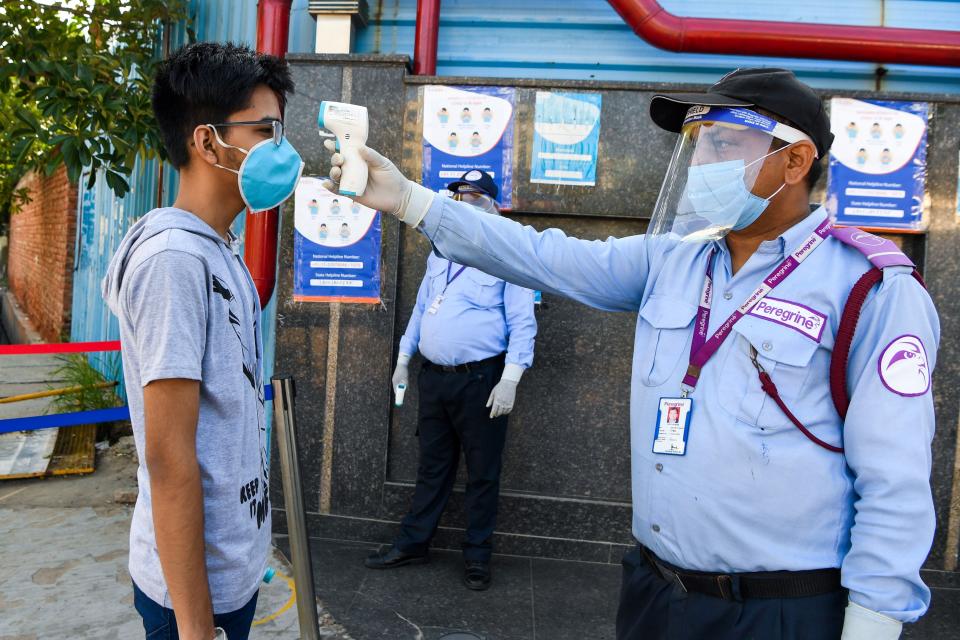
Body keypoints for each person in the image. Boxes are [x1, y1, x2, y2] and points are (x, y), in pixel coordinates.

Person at [324, 67, 938, 639]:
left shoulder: (869, 288)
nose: (702, 160)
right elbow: (545, 256)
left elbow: (896, 482)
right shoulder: (675, 258)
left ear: (796, 159)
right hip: (654, 592)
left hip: (779, 610)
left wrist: (874, 622)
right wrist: (412, 200)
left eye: (723, 144)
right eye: (698, 144)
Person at [102, 42, 302, 640]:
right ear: (208, 141)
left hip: (230, 572)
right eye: (264, 129)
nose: (280, 148)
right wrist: (195, 627)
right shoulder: (174, 262)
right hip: (191, 596)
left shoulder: (219, 250)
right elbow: (167, 459)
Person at [364, 169, 537, 592]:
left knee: (482, 473)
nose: (467, 201)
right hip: (435, 379)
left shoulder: (506, 249)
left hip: (481, 380)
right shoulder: (441, 247)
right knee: (432, 468)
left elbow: (522, 321)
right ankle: (413, 543)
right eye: (460, 194)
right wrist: (404, 358)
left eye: (477, 196)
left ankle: (477, 557)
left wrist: (511, 378)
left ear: (493, 203)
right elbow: (424, 306)